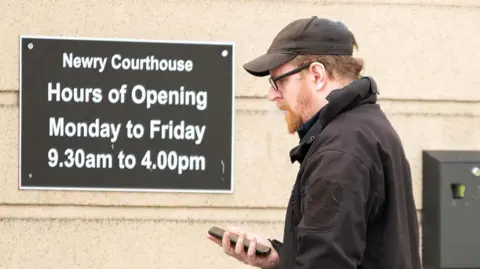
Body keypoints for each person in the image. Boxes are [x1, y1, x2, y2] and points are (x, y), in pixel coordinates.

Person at [207, 16, 421, 269]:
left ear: (317, 75)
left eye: (280, 81)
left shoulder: (341, 149)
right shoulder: (367, 128)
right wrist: (279, 259)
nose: (272, 94)